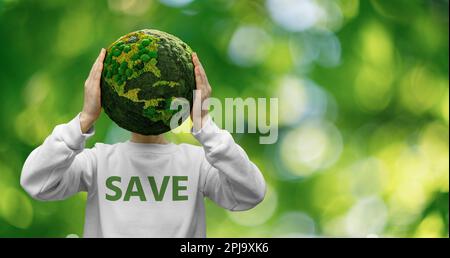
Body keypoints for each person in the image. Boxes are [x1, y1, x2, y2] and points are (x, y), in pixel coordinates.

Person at [20, 49, 266, 237]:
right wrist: (84, 119)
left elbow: (250, 192)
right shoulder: (97, 162)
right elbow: (36, 182)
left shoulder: (197, 163)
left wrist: (205, 126)